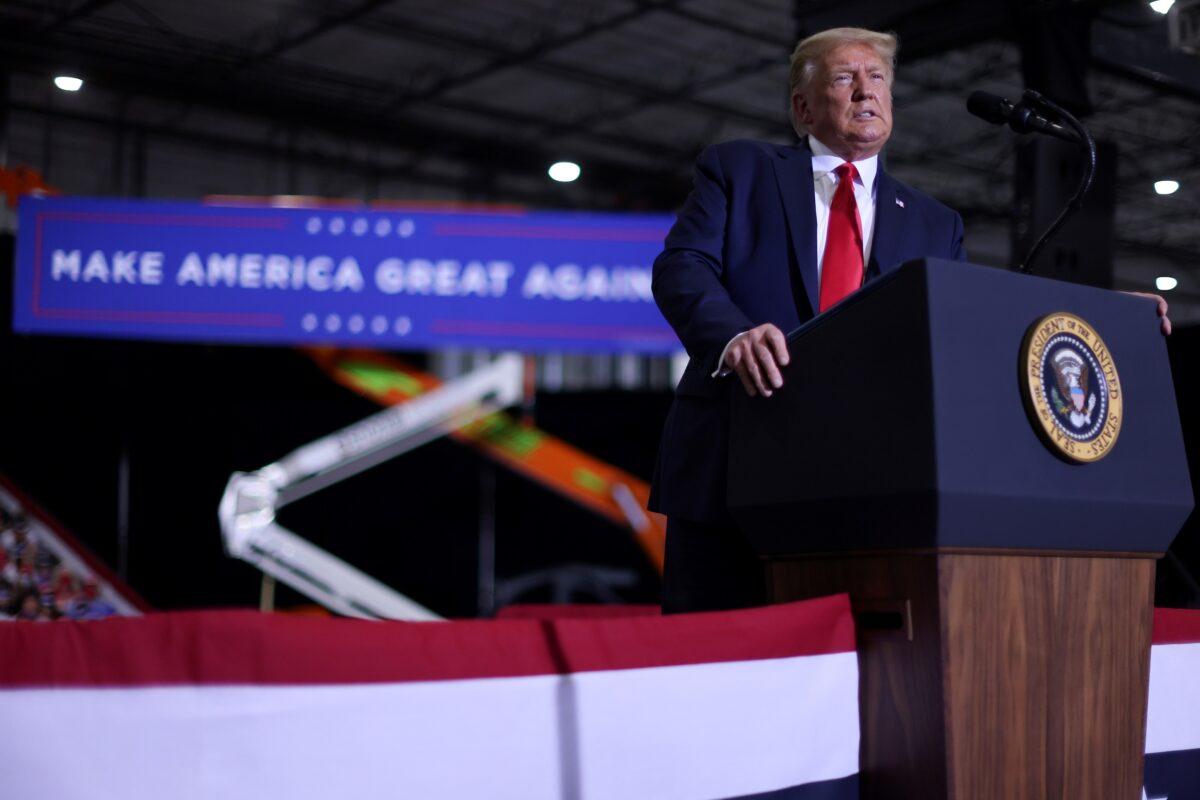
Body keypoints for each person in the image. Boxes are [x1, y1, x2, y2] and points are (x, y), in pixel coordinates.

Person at [648, 27, 1171, 615]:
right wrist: (735, 334)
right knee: (718, 670)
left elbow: (976, 325)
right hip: (732, 466)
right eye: (844, 77)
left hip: (866, 486)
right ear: (802, 106)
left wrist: (1102, 316)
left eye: (877, 79)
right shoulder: (740, 169)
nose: (865, 91)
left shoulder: (933, 222)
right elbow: (682, 266)